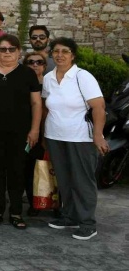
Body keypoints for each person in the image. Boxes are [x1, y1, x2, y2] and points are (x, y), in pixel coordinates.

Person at [43, 37, 108, 241]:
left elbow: (99, 108)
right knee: (64, 179)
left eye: (65, 51)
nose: (60, 55)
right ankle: (69, 216)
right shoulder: (49, 78)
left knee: (82, 181)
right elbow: (46, 106)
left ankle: (87, 223)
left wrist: (97, 136)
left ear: (73, 55)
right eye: (56, 51)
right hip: (55, 136)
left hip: (81, 138)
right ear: (51, 54)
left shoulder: (83, 77)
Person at [0, 35, 42, 230]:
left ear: (18, 51)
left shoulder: (27, 74)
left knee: (17, 171)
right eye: (3, 49)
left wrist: (35, 129)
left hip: (20, 132)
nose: (7, 52)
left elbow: (36, 103)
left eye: (11, 49)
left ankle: (15, 212)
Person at [22, 51, 52, 217]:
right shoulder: (22, 83)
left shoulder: (51, 83)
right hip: (28, 132)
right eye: (30, 62)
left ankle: (54, 203)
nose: (35, 65)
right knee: (29, 168)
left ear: (44, 66)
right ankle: (34, 202)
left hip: (49, 132)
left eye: (39, 62)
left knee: (52, 168)